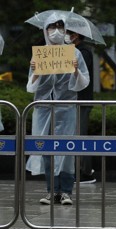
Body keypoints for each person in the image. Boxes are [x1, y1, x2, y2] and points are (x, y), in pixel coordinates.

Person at [25, 16, 90, 205]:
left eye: (60, 27)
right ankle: (51, 191)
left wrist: (76, 70)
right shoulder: (40, 54)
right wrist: (36, 71)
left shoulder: (74, 53)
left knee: (66, 148)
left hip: (66, 106)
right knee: (45, 148)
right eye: (52, 27)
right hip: (43, 107)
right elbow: (30, 86)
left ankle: (66, 191)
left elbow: (83, 82)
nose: (56, 31)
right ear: (45, 30)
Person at [65, 30, 96, 184]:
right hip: (72, 100)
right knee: (74, 134)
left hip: (81, 100)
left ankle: (86, 172)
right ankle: (77, 169)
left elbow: (79, 75)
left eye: (65, 32)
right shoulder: (70, 51)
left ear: (75, 35)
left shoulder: (84, 52)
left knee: (80, 135)